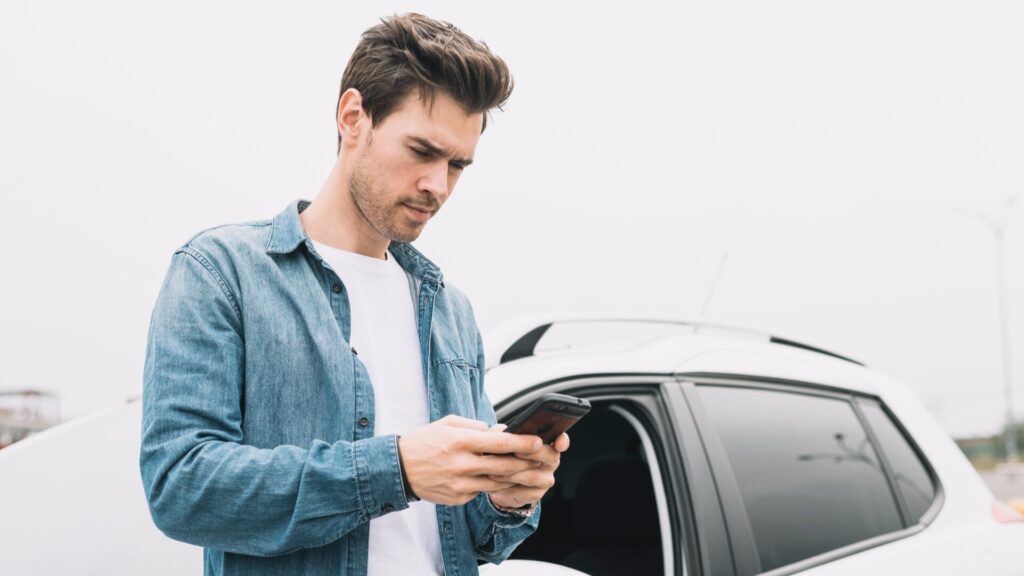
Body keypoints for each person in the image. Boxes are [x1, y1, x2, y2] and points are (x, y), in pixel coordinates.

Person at [139, 13, 569, 576]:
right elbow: (181, 487)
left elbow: (473, 539)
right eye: (421, 151)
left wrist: (509, 496)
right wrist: (397, 469)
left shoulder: (450, 311)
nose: (438, 186)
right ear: (353, 118)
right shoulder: (220, 272)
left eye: (458, 165)